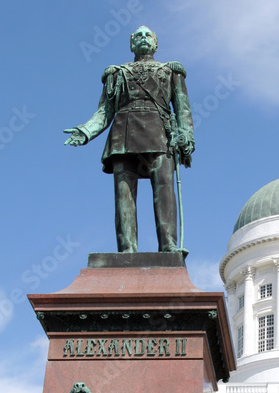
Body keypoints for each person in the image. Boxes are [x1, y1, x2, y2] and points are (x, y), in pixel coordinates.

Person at [64, 25, 194, 253]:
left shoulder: (171, 71)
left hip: (160, 132)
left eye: (148, 35)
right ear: (132, 44)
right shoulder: (117, 73)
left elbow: (182, 108)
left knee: (164, 191)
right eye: (138, 36)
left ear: (155, 43)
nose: (143, 39)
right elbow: (105, 111)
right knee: (124, 195)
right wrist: (85, 131)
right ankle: (127, 249)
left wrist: (185, 135)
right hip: (123, 133)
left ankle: (168, 245)